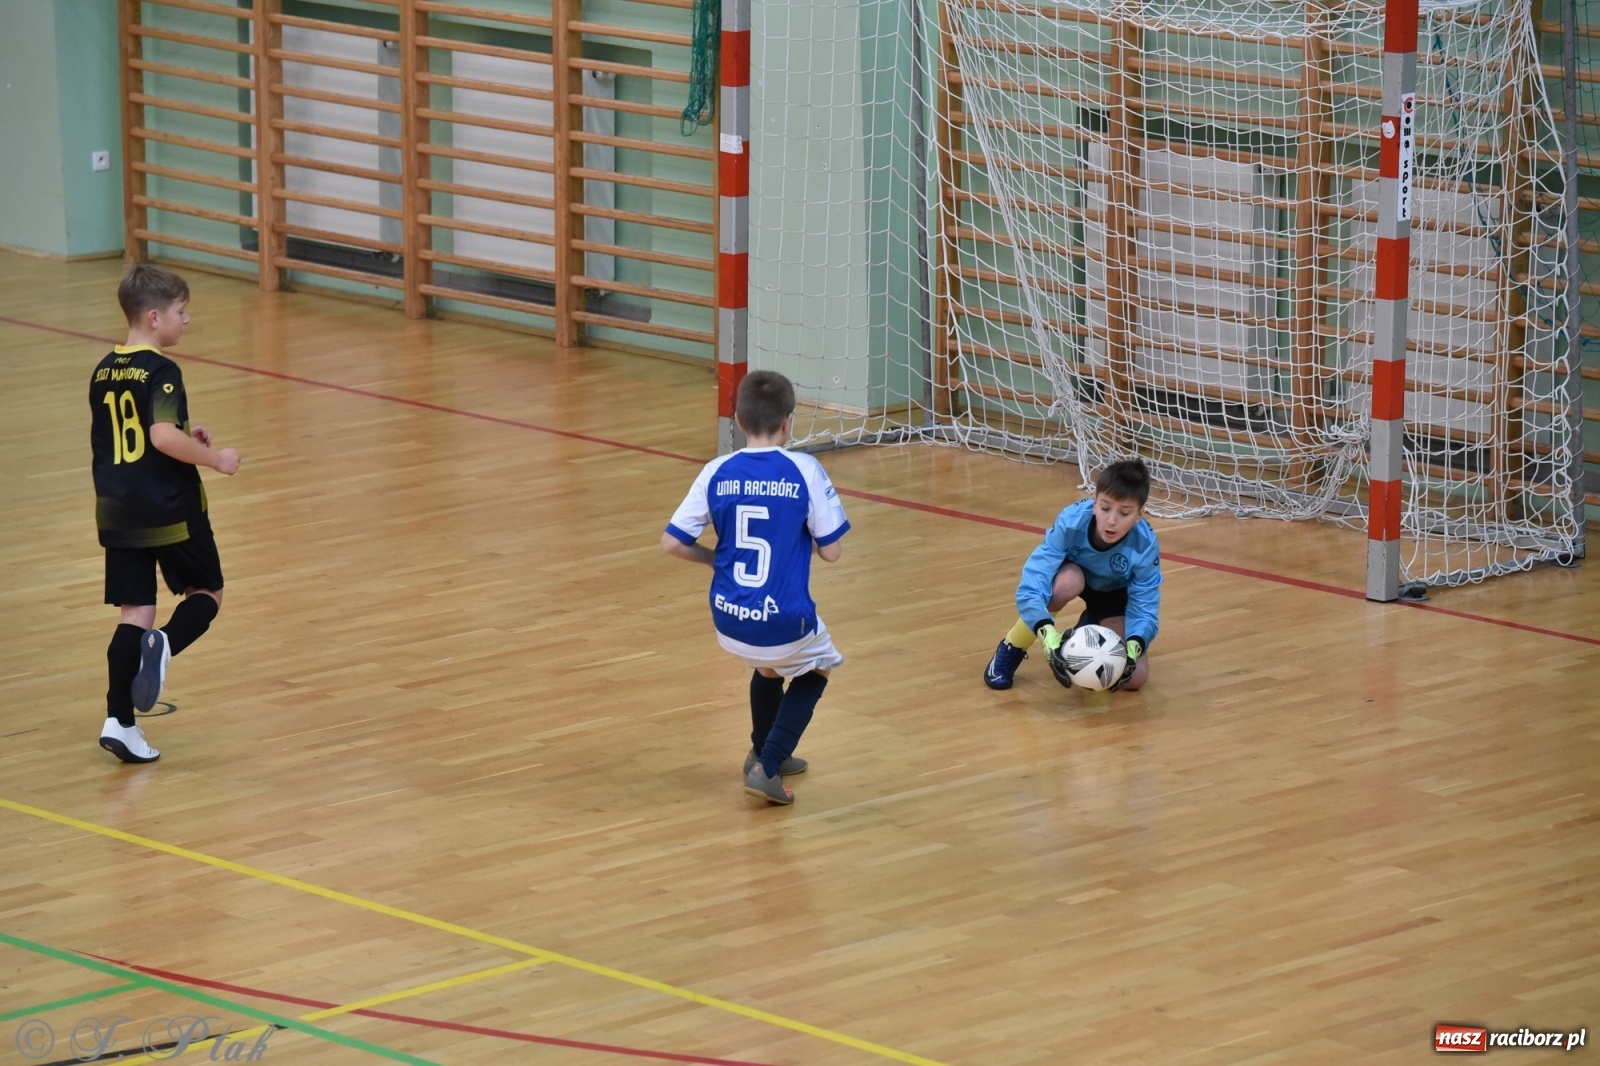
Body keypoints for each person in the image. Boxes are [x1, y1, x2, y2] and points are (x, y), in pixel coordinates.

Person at [661, 371, 850, 805]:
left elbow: (671, 542)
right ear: (788, 421)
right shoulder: (804, 469)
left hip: (729, 617)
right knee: (818, 667)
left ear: (738, 420)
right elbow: (832, 552)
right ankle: (769, 764)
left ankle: (759, 752)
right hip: (781, 618)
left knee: (769, 667)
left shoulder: (716, 470)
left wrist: (714, 559)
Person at [91, 263, 240, 763]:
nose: (187, 319)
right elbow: (158, 436)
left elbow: (131, 437)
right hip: (169, 507)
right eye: (181, 311)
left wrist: (184, 436)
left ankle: (119, 722)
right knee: (207, 592)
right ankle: (166, 645)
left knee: (135, 612)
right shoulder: (162, 371)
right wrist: (214, 458)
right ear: (154, 317)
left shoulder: (104, 369)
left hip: (117, 508)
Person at [983, 458, 1161, 693]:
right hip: (1074, 576)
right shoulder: (1071, 521)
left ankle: (1084, 632)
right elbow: (1033, 584)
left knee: (1135, 678)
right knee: (1068, 582)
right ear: (1094, 502)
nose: (1111, 520)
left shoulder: (1145, 545)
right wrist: (1046, 633)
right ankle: (1012, 646)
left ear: (1139, 515)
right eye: (1105, 508)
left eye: (1124, 513)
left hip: (1113, 592)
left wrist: (1134, 646)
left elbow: (1145, 607)